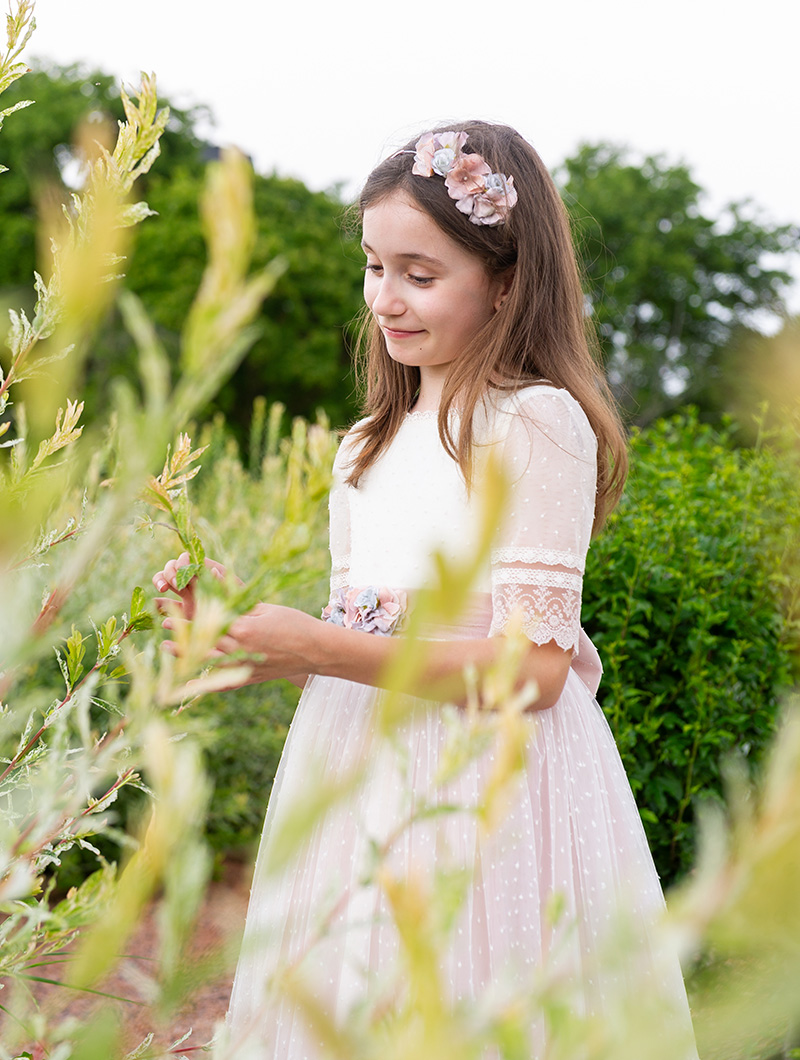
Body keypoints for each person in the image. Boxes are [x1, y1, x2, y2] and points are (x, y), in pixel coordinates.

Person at [153, 121, 697, 1057]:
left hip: (483, 797)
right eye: (374, 267)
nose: (384, 299)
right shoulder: (363, 448)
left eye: (419, 272)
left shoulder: (535, 425)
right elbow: (356, 654)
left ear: (506, 280)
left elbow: (533, 676)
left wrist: (316, 646)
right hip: (353, 782)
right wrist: (247, 641)